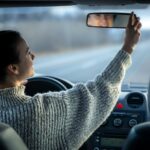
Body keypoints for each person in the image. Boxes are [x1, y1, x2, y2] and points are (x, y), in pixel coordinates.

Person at [0, 12, 141, 150]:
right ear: (13, 68)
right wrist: (128, 46)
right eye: (27, 52)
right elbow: (101, 89)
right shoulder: (39, 110)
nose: (33, 55)